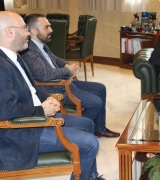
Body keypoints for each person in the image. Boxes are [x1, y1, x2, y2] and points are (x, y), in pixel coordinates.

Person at [0, 11, 105, 180]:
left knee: (86, 124)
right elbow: (4, 109)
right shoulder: (1, 65)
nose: (28, 32)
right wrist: (42, 111)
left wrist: (47, 98)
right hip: (21, 134)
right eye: (24, 28)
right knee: (90, 143)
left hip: (34, 121)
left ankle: (90, 176)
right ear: (9, 32)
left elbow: (31, 90)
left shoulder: (15, 57)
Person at [21, 13, 119, 138]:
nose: (51, 30)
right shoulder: (29, 50)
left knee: (100, 88)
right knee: (95, 102)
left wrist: (69, 65)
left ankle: (99, 128)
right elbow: (42, 74)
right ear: (34, 30)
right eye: (47, 27)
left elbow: (54, 60)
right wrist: (67, 71)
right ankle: (78, 130)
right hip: (55, 88)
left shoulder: (41, 44)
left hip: (63, 81)